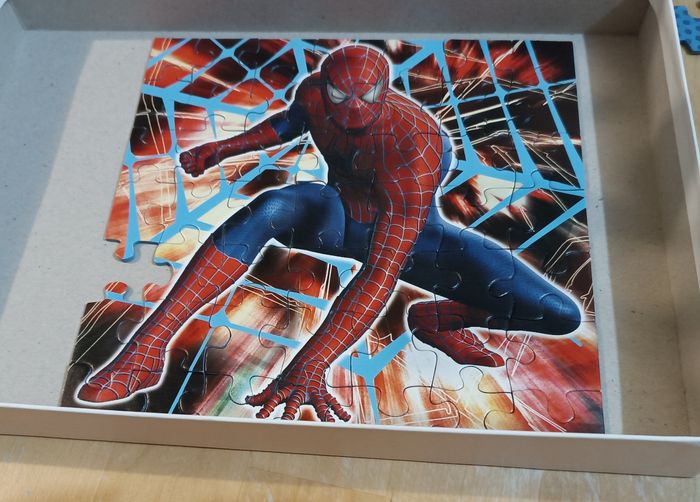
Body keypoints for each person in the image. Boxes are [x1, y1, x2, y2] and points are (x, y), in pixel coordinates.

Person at [78, 44, 581, 422]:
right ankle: (146, 348)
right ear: (326, 86)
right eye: (341, 95)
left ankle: (435, 320)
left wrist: (311, 363)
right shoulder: (314, 94)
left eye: (367, 97)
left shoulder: (418, 143)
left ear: (385, 91)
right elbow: (288, 124)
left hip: (415, 242)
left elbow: (380, 275)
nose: (353, 109)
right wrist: (223, 148)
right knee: (271, 205)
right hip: (336, 218)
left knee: (559, 313)